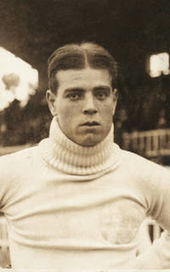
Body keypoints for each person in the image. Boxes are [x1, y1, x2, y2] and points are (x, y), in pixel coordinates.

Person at [0, 42, 170, 270]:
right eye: (75, 95)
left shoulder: (142, 174)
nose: (90, 106)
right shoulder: (11, 171)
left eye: (100, 94)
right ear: (52, 103)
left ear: (114, 100)